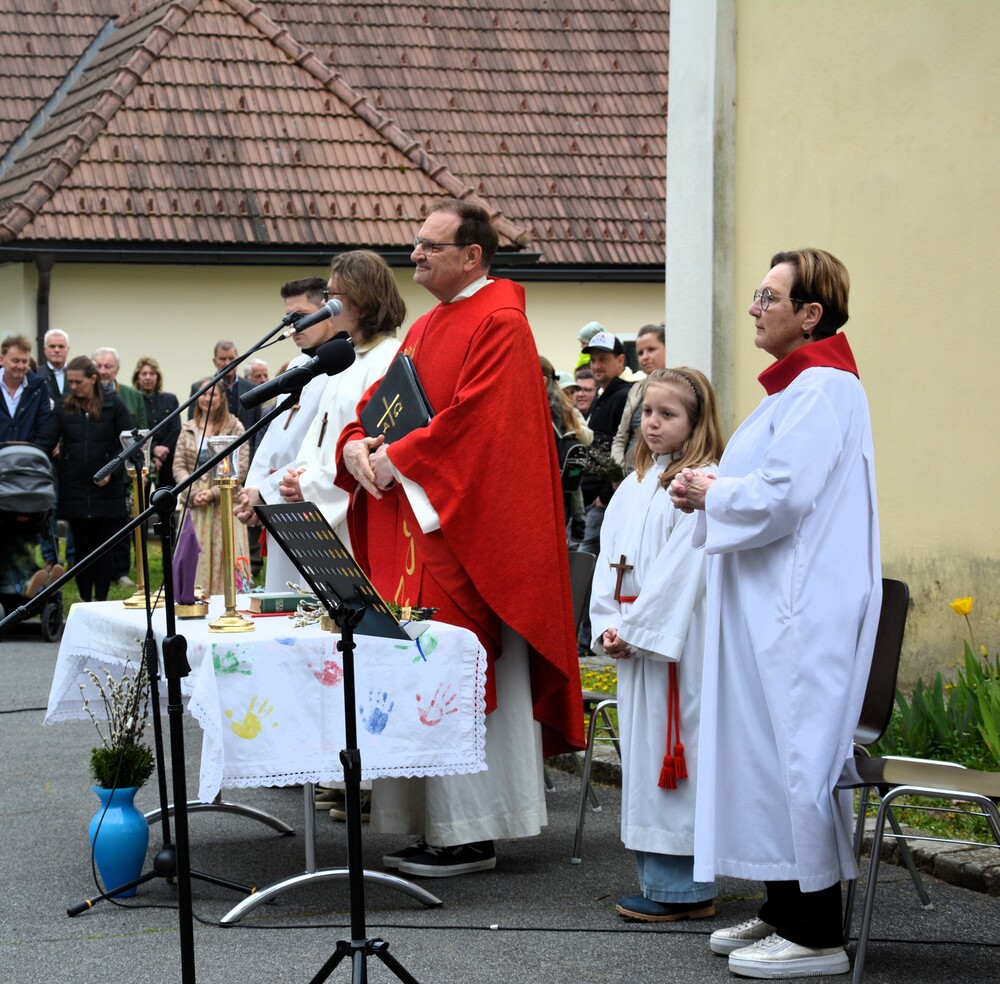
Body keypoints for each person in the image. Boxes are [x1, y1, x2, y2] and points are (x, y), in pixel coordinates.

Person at [336, 197, 584, 876]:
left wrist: (397, 459)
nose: (414, 255)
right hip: (414, 532)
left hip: (465, 541)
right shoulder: (426, 326)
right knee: (419, 674)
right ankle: (427, 825)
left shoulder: (501, 322)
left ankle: (471, 830)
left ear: (472, 255)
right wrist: (356, 445)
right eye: (415, 243)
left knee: (459, 674)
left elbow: (479, 427)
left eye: (429, 245)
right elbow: (379, 407)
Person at [668, 249, 881, 979]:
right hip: (772, 607)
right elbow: (763, 480)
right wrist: (710, 486)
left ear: (810, 314)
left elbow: (786, 494)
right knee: (764, 759)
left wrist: (712, 493)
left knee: (796, 761)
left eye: (769, 296)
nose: (755, 307)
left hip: (800, 613)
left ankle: (817, 933)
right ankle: (784, 908)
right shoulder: (794, 389)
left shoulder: (824, 387)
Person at [590, 366, 724, 923]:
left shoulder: (700, 485)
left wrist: (638, 631)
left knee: (675, 755)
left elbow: (682, 572)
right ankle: (658, 881)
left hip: (678, 647)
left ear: (696, 422)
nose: (652, 423)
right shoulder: (636, 483)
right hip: (635, 640)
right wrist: (608, 624)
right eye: (647, 411)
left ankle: (683, 889)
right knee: (645, 758)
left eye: (668, 414)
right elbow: (609, 561)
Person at [234, 276, 338, 592]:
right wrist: (253, 490)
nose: (293, 327)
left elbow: (320, 447)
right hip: (277, 500)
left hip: (310, 499)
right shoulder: (297, 364)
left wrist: (266, 492)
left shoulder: (340, 365)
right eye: (289, 318)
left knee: (310, 597)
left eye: (301, 316)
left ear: (327, 309)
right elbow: (273, 435)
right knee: (281, 593)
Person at [37, 356, 131, 602]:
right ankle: (85, 601)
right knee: (81, 547)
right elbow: (47, 439)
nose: (73, 387)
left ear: (93, 379)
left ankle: (101, 600)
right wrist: (28, 457)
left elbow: (128, 444)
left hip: (107, 491)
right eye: (70, 382)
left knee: (104, 548)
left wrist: (112, 470)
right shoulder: (64, 405)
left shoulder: (113, 404)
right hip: (75, 488)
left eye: (78, 382)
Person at [173, 379, 251, 598]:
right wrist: (192, 491)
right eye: (204, 394)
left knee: (225, 554)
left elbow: (240, 467)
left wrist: (213, 492)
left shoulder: (235, 427)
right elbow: (179, 465)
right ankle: (194, 598)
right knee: (195, 554)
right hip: (195, 503)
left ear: (222, 397)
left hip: (225, 501)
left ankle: (229, 601)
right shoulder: (188, 428)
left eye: (213, 394)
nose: (207, 398)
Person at [540, 355, 591, 535]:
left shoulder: (552, 408)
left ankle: (579, 518)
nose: (570, 396)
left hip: (551, 483)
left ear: (543, 380)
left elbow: (588, 437)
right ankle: (578, 518)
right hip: (563, 485)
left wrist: (573, 430)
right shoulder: (563, 407)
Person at [190, 341, 263, 459]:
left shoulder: (252, 388)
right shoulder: (200, 389)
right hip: (210, 456)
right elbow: (194, 422)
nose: (227, 363)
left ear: (239, 359)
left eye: (231, 358)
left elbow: (258, 427)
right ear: (214, 361)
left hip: (245, 455)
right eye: (222, 359)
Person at [611, 323, 666, 474]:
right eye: (640, 353)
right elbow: (621, 436)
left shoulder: (678, 388)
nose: (645, 357)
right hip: (629, 474)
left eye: (651, 349)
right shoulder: (636, 389)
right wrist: (617, 472)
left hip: (658, 472)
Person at [132, 357, 181, 489]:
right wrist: (153, 449)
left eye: (152, 374)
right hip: (142, 459)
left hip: (167, 459)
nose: (148, 377)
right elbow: (134, 430)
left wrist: (161, 455)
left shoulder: (170, 399)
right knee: (140, 497)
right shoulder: (134, 401)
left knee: (167, 496)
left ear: (157, 377)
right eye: (144, 374)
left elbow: (175, 429)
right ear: (137, 378)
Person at [0, 334, 51, 445]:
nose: (20, 366)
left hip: (28, 454)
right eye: (15, 361)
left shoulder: (39, 387)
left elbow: (43, 426)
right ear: (1, 359)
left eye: (24, 361)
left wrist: (34, 451)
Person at [93, 347, 147, 428]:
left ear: (117, 369)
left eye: (108, 367)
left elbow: (143, 431)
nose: (102, 372)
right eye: (98, 366)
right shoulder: (83, 395)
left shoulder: (135, 396)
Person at [42, 329, 71, 403]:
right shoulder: (36, 374)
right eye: (52, 346)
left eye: (61, 346)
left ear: (68, 349)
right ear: (45, 350)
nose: (57, 350)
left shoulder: (76, 374)